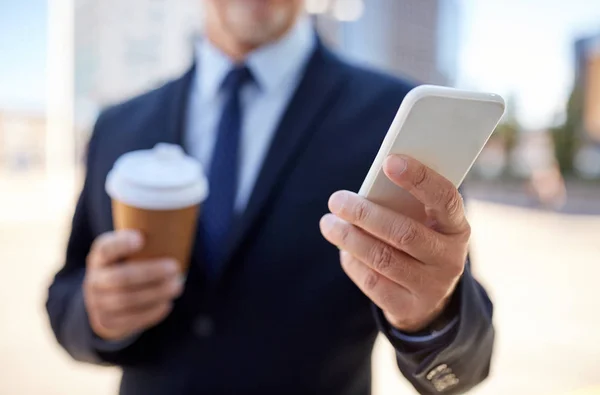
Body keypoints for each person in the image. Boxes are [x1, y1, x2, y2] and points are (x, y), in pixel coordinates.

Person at [45, 1, 495, 394]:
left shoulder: (395, 119)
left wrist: (432, 317)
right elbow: (65, 292)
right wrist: (94, 312)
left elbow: (466, 366)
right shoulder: (118, 126)